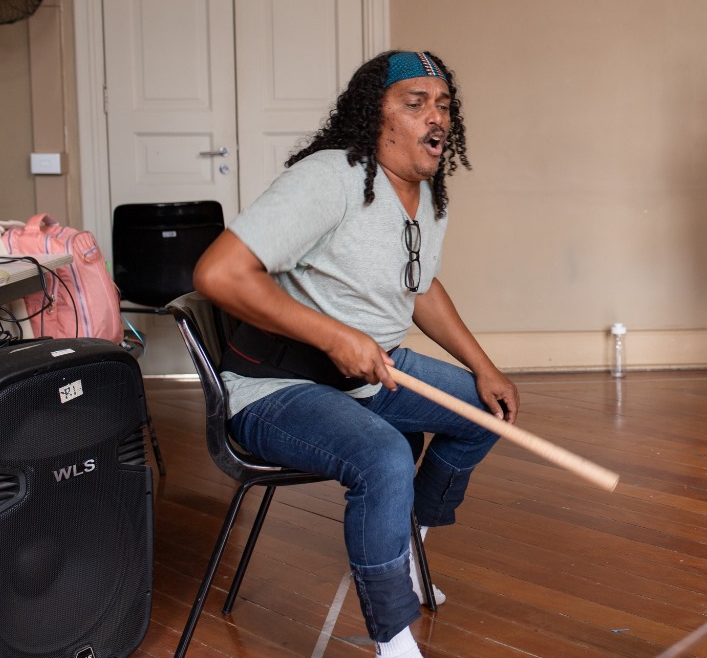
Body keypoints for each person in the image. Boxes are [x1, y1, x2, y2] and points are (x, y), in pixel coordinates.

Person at [193, 50, 520, 658]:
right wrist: (332, 335)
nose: (436, 117)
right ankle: (393, 639)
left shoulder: (427, 195)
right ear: (376, 114)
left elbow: (419, 288)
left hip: (373, 375)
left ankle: (407, 547)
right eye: (416, 103)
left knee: (485, 411)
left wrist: (484, 367)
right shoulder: (329, 178)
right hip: (275, 388)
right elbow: (219, 274)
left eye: (444, 105)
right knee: (385, 457)